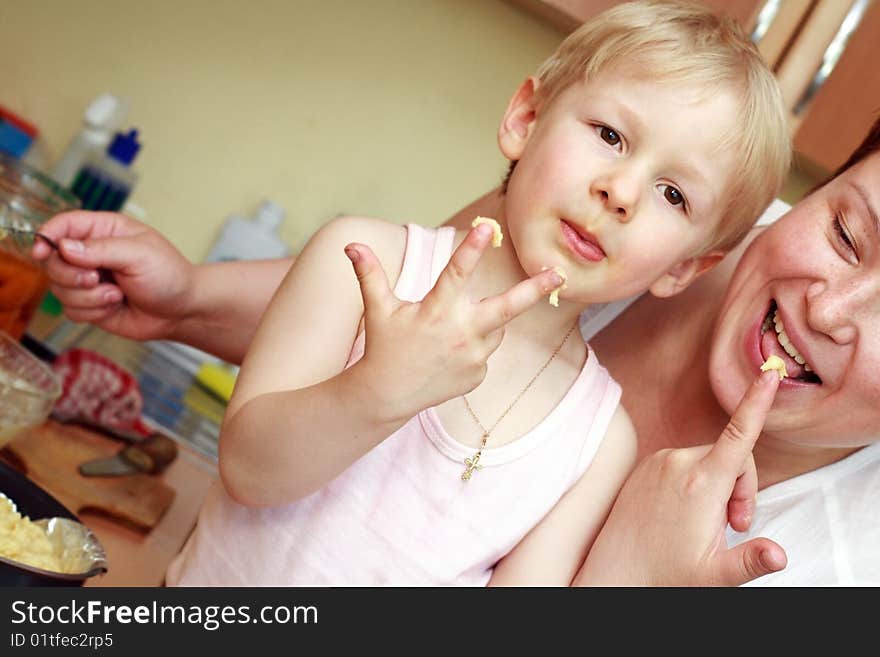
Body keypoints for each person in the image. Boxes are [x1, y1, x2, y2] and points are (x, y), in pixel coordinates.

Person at [32, 0, 791, 586]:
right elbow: (251, 471)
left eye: (673, 194)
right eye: (611, 135)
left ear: (683, 269)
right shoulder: (360, 262)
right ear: (525, 119)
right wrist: (378, 389)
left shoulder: (598, 445)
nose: (620, 190)